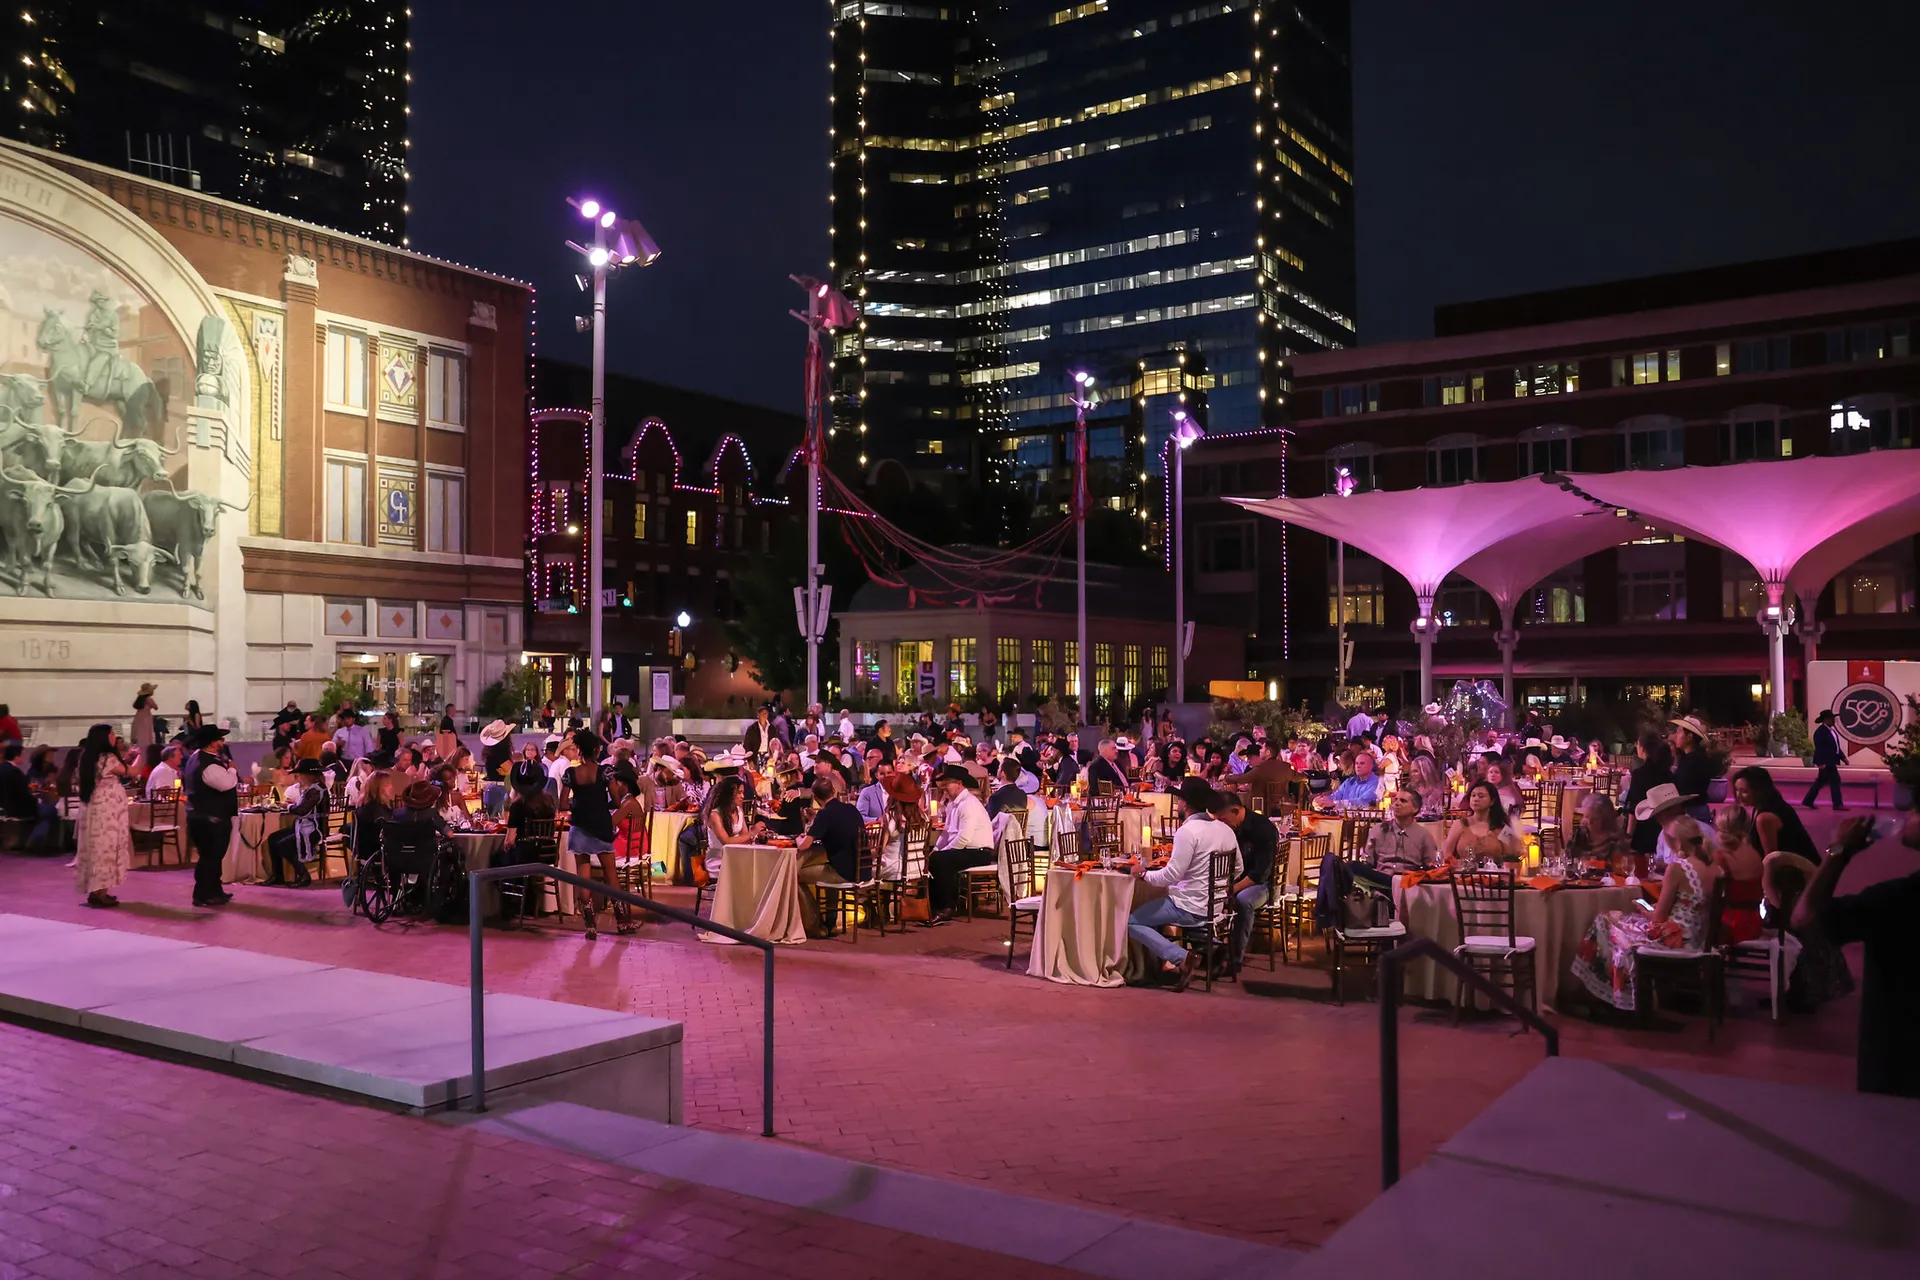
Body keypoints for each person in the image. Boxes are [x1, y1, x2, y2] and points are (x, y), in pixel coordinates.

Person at [1793, 808, 1920, 1097]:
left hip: (1899, 1068)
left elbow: (1806, 918)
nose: (1909, 815)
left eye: (1917, 810)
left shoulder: (1898, 900)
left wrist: (1839, 850)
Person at [1571, 816, 1720, 1012]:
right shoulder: (1714, 868)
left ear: (1678, 842)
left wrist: (1643, 908)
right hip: (1700, 935)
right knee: (1618, 920)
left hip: (1676, 938)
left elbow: (1659, 918)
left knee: (1605, 919)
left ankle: (1610, 993)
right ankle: (1611, 990)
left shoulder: (1677, 869)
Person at [1127, 780, 1240, 991]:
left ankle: (1181, 958)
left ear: (1185, 804)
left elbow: (1171, 875)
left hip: (1188, 906)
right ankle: (1216, 948)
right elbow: (1238, 868)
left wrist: (1144, 875)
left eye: (1178, 800)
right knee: (1159, 911)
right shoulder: (1225, 830)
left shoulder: (1187, 832)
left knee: (1132, 922)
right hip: (1214, 905)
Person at [1210, 789, 1278, 971]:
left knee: (1242, 901)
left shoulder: (1263, 829)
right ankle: (1210, 950)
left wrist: (1232, 889)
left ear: (1235, 810)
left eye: (1223, 820)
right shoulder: (1228, 828)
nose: (1221, 825)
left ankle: (1234, 959)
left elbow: (1260, 873)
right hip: (1233, 880)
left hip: (1263, 885)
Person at [926, 763, 994, 924]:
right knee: (934, 857)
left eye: (946, 785)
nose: (944, 790)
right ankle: (934, 906)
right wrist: (936, 849)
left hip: (980, 851)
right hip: (967, 849)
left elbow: (964, 838)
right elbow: (947, 833)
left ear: (959, 783)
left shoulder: (968, 804)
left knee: (941, 860)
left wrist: (943, 853)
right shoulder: (954, 804)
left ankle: (947, 907)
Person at [797, 776, 864, 936]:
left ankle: (815, 925)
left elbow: (804, 845)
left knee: (795, 876)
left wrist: (798, 839)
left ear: (815, 797)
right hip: (860, 868)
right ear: (834, 791)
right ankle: (831, 923)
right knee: (830, 869)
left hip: (843, 872)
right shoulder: (851, 809)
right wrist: (816, 819)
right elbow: (835, 825)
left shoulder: (825, 815)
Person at [75, 726, 133, 908]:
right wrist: (139, 756)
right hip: (108, 809)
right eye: (112, 734)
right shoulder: (108, 757)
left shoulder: (88, 757)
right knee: (106, 848)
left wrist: (127, 758)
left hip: (94, 806)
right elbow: (131, 771)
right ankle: (100, 893)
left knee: (96, 848)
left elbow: (118, 768)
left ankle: (95, 891)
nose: (115, 737)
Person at [181, 725, 238, 906]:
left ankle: (215, 890)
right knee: (210, 857)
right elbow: (226, 784)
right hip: (210, 817)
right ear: (212, 743)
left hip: (200, 816)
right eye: (220, 739)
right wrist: (232, 770)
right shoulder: (207, 763)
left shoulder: (195, 758)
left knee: (213, 856)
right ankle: (203, 894)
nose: (223, 742)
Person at [1731, 766, 1821, 864]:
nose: (1738, 796)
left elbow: (1771, 860)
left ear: (1759, 790)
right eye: (1736, 790)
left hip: (1800, 872)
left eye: (1744, 791)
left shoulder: (1765, 817)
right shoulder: (1767, 805)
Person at [263, 759, 329, 888]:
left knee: (284, 845)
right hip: (304, 826)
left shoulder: (317, 789)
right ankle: (278, 875)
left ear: (308, 775)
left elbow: (302, 810)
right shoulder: (312, 789)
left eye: (300, 774)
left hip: (314, 829)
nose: (298, 777)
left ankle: (303, 875)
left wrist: (288, 806)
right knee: (273, 838)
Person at [1710, 806, 1765, 945]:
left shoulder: (1721, 857)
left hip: (1730, 925)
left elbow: (1709, 893)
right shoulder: (1755, 854)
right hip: (1754, 923)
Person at [1621, 730, 1674, 860]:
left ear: (1643, 748)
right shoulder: (1668, 773)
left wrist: (1628, 835)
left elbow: (1634, 807)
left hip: (1644, 828)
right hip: (1666, 827)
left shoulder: (1640, 774)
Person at [1365, 787, 1442, 874]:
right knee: (1353, 867)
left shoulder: (1424, 835)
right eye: (1396, 800)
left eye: (1403, 801)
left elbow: (1431, 866)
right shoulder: (1379, 829)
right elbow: (1368, 862)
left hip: (1408, 881)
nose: (1396, 803)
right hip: (1381, 878)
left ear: (1415, 809)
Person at [1443, 781, 1522, 864]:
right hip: (1463, 874)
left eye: (1481, 796)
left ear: (1492, 801)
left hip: (1494, 874)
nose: (1476, 799)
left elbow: (1513, 857)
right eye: (1473, 795)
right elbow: (1447, 854)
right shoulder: (1460, 824)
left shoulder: (1501, 827)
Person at [1667, 715, 1717, 823]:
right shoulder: (1689, 758)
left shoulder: (1694, 761)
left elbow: (1684, 789)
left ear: (1689, 737)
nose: (1676, 735)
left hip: (1692, 812)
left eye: (1679, 732)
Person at [1802, 709, 1846, 810]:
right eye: (1832, 719)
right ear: (1826, 720)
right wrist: (1820, 762)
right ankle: (1837, 804)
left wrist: (1843, 757)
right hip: (1826, 762)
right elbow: (1820, 748)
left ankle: (1808, 800)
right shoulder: (1820, 732)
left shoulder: (1831, 731)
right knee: (1834, 781)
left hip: (1830, 761)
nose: (1834, 720)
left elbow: (1836, 747)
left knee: (1821, 782)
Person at [131, 683, 158, 749]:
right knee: (146, 735)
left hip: (139, 717)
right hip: (146, 718)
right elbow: (156, 707)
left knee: (140, 734)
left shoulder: (139, 699)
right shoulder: (148, 699)